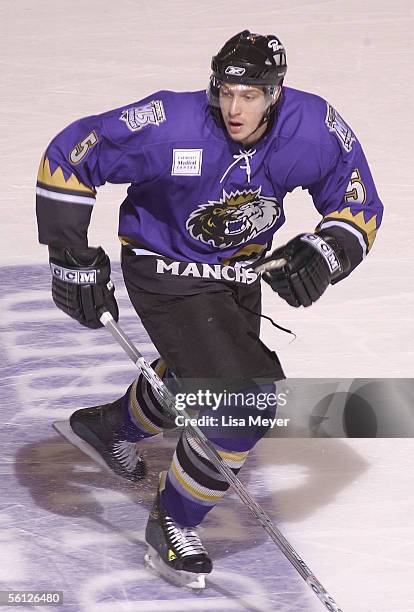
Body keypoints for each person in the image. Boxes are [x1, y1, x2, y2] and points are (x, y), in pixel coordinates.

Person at [36, 30, 383, 588]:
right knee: (244, 405)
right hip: (166, 271)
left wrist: (327, 249)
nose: (234, 107)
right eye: (226, 91)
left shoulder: (313, 129)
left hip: (241, 274)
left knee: (203, 377)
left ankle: (110, 427)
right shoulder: (171, 123)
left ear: (275, 93)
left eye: (250, 95)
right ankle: (174, 519)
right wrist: (68, 252)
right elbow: (73, 151)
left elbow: (358, 199)